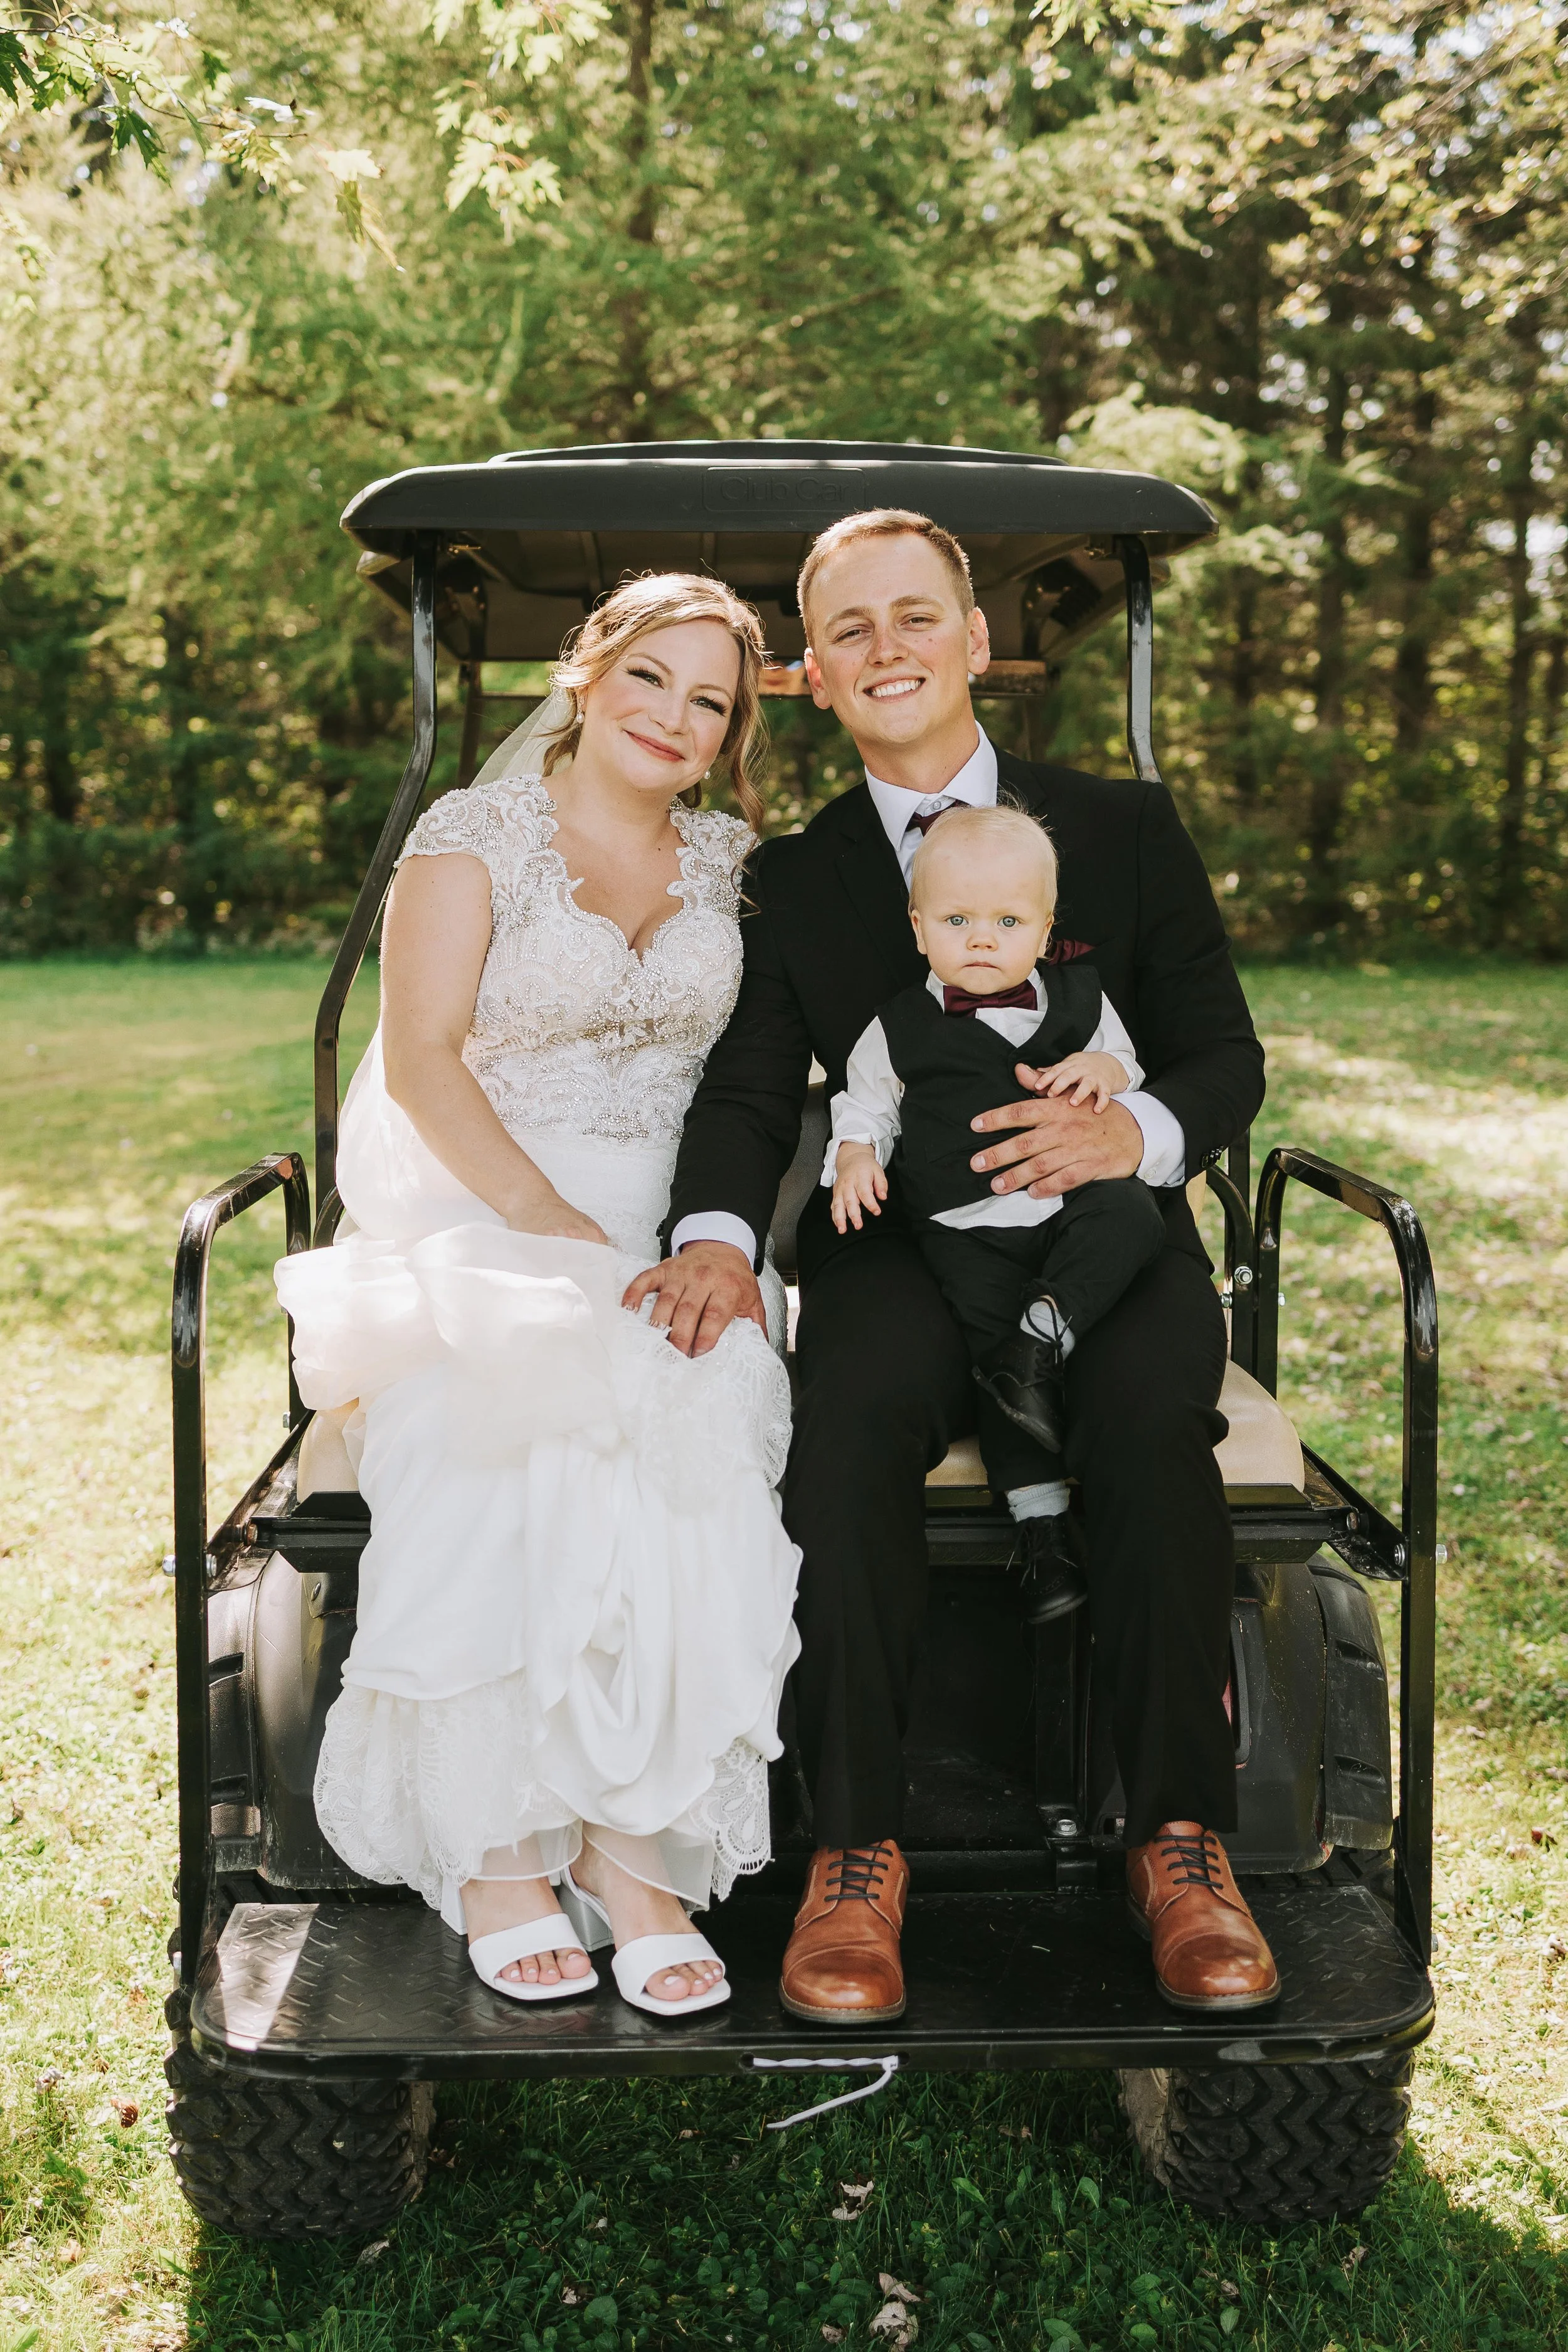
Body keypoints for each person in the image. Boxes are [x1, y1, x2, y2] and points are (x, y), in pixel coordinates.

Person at [629, 508, 1279, 2022]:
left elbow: (1218, 1052)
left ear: (976, 642)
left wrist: (1145, 1140)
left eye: (916, 617)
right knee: (841, 1431)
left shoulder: (1116, 827)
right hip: (899, 1246)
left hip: (1101, 1243)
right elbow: (744, 1088)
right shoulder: (795, 879)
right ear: (813, 676)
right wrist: (719, 1240)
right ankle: (856, 1851)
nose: (887, 649)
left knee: (1141, 1424)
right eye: (849, 630)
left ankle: (1178, 1841)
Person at [275, 574, 802, 2021]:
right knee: (504, 1416)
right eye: (650, 679)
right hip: (482, 1197)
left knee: (699, 1419)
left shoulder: (723, 863)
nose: (673, 717)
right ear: (586, 676)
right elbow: (427, 1059)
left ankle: (631, 1852)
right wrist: (549, 1227)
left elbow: (754, 1076)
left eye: (709, 702)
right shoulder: (472, 838)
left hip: (662, 1223)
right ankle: (505, 1852)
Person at [826, 800, 1167, 1626]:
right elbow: (863, 1103)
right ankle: (1042, 1533)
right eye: (957, 919)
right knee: (1000, 1380)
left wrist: (1100, 1070)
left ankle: (1048, 1326)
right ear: (918, 929)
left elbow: (1127, 1063)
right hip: (963, 1231)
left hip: (1066, 1210)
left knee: (1135, 1217)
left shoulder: (1082, 1003)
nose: (981, 939)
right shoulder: (899, 1027)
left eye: (1007, 920)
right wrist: (855, 1156)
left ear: (1045, 931)